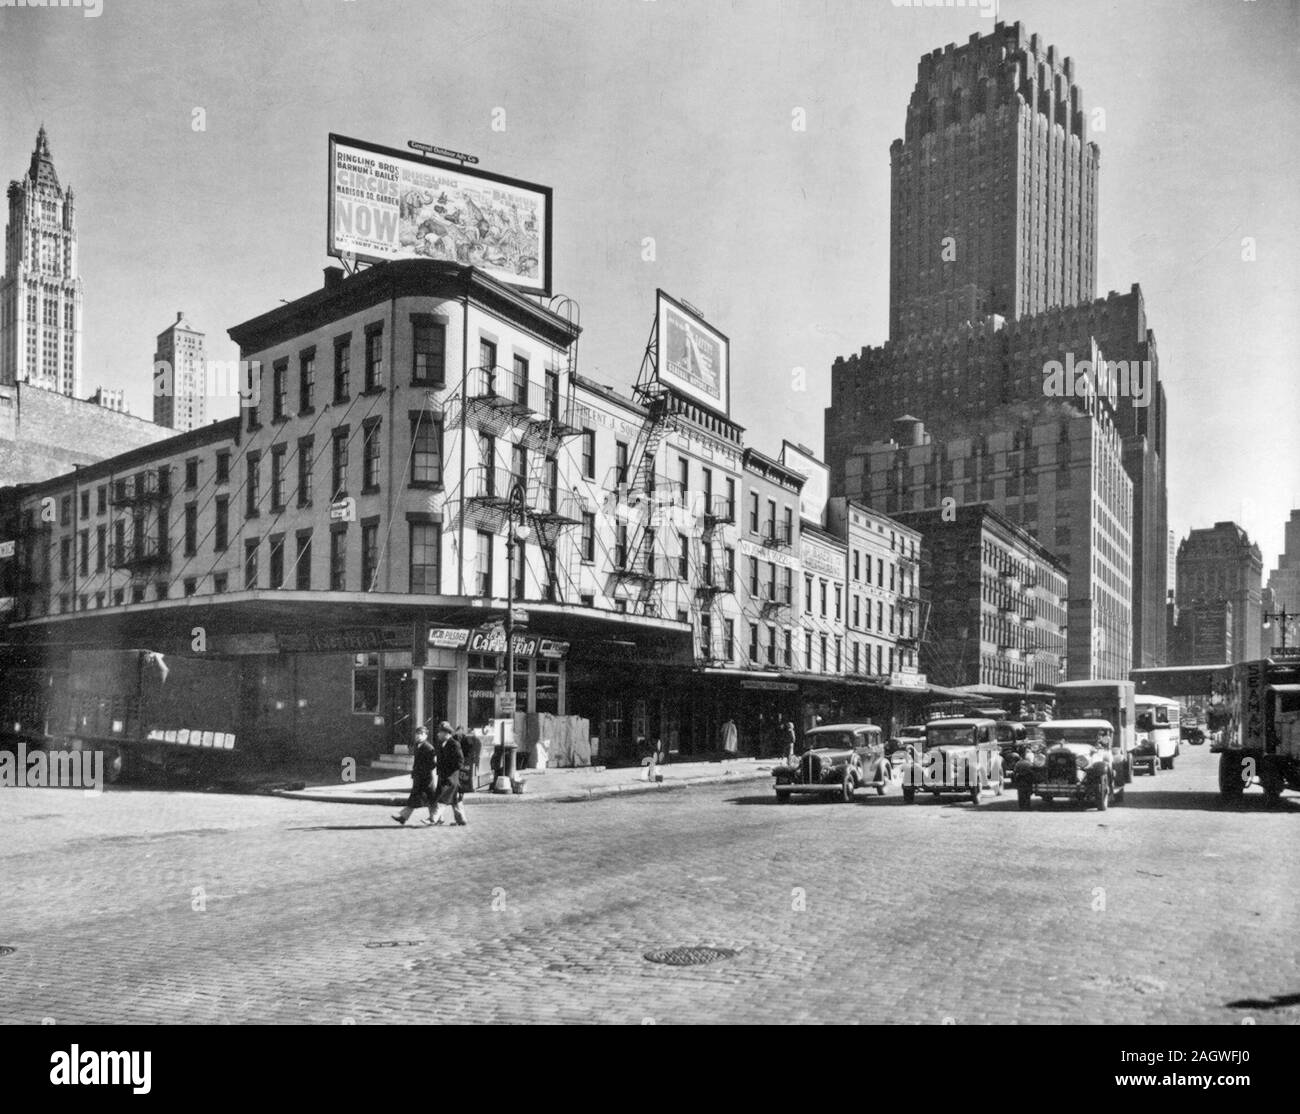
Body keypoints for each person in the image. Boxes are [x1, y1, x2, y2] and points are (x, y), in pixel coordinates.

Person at [392, 725, 436, 825]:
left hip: (426, 778)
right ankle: (403, 817)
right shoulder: (417, 746)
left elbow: (432, 764)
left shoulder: (429, 748)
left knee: (430, 798)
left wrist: (424, 772)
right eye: (417, 734)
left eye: (421, 734)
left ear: (426, 736)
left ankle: (436, 818)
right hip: (418, 777)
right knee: (415, 797)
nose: (418, 736)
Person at [430, 722, 468, 826]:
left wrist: (451, 771)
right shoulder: (442, 744)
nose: (438, 734)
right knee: (455, 798)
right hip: (443, 776)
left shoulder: (454, 744)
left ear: (447, 733)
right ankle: (461, 819)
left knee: (442, 797)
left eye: (440, 732)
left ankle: (434, 818)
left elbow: (460, 761)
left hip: (450, 777)